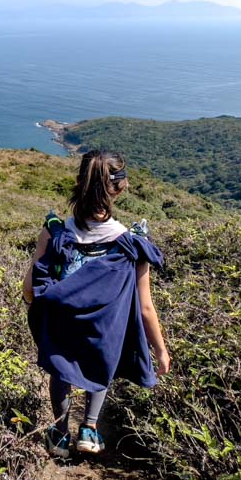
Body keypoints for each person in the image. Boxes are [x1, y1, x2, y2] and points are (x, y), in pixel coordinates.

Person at [23, 150, 171, 458]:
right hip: (105, 329)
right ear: (119, 188)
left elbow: (30, 288)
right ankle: (89, 428)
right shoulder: (131, 243)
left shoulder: (54, 231)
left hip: (63, 324)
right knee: (101, 365)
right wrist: (160, 349)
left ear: (79, 182)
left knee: (60, 372)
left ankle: (60, 434)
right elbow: (145, 307)